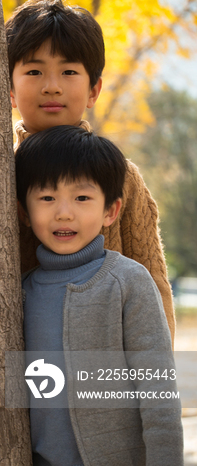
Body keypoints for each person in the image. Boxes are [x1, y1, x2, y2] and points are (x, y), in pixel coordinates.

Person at [6, 0, 176, 344]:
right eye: (34, 71)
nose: (51, 86)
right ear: (9, 89)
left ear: (94, 90)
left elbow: (153, 281)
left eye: (69, 72)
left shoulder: (121, 177)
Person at [16, 125, 183, 465]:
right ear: (24, 211)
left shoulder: (128, 281)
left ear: (111, 211)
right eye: (47, 198)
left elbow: (158, 392)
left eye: (82, 198)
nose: (64, 212)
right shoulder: (18, 291)